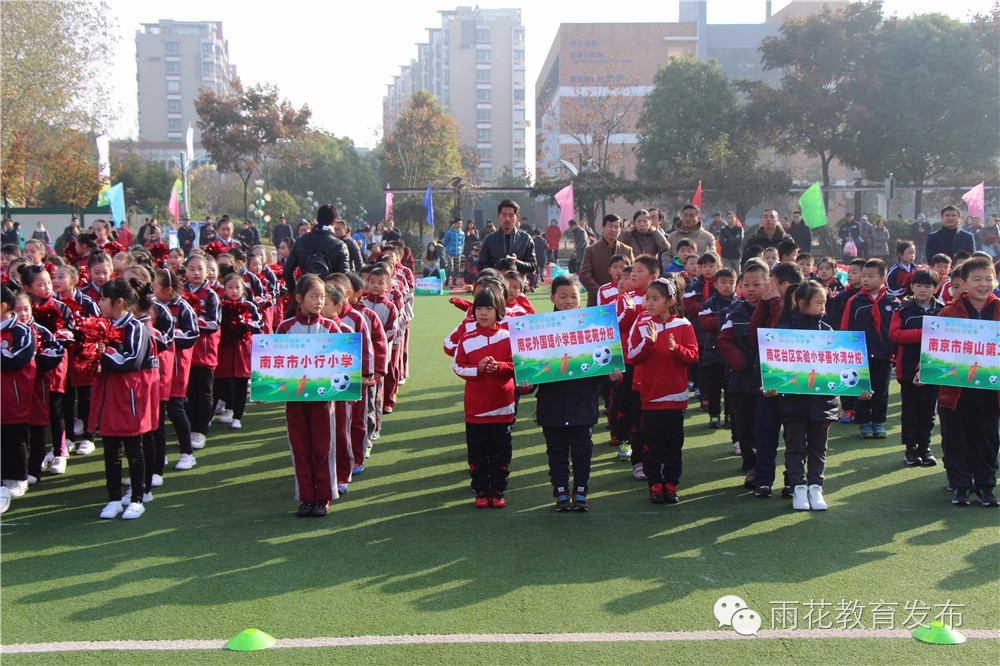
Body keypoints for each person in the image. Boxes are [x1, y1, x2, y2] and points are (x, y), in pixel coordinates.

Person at [522, 275, 622, 512]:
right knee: (556, 452)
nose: (568, 301)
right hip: (551, 404)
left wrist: (611, 377)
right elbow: (533, 376)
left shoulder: (593, 327)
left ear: (581, 299)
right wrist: (525, 385)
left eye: (573, 296)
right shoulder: (537, 330)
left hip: (582, 404)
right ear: (552, 298)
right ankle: (559, 493)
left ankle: (580, 492)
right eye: (563, 296)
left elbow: (600, 371)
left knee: (582, 450)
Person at [89, 277, 159, 520]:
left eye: (103, 299)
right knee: (110, 450)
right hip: (110, 395)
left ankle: (138, 498)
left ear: (118, 302)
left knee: (134, 448)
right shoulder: (105, 325)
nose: (99, 303)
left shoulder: (136, 327)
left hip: (130, 397)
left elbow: (131, 360)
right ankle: (114, 499)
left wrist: (104, 351)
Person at [627, 276, 698, 504]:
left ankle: (671, 484)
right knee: (652, 443)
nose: (648, 303)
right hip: (651, 396)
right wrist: (648, 342)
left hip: (676, 397)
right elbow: (632, 356)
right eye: (647, 298)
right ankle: (655, 484)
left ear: (670, 301)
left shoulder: (684, 325)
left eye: (655, 299)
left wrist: (676, 349)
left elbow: (693, 356)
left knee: (674, 444)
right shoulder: (642, 323)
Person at [275, 274, 342, 516]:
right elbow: (274, 365)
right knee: (300, 446)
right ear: (299, 298)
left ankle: (323, 495)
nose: (319, 301)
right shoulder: (285, 327)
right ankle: (306, 496)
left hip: (323, 398)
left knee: (323, 446)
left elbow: (343, 362)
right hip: (294, 398)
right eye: (314, 296)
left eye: (322, 297)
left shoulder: (332, 327)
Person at [935, 257, 999, 506]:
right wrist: (923, 370)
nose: (984, 284)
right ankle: (960, 486)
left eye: (988, 279)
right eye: (977, 279)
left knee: (987, 439)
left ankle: (986, 486)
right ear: (964, 283)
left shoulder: (999, 309)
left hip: (991, 392)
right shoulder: (949, 311)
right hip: (956, 390)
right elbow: (935, 349)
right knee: (957, 438)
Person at [773, 281, 836, 510]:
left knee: (819, 447)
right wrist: (771, 386)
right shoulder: (785, 332)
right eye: (819, 303)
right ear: (802, 304)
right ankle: (798, 487)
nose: (823, 308)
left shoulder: (828, 332)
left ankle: (816, 487)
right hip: (794, 402)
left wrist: (858, 388)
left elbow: (837, 369)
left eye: (824, 303)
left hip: (823, 403)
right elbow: (773, 369)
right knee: (795, 445)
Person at [452, 287, 515, 508]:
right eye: (479, 308)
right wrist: (477, 369)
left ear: (499, 311)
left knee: (501, 453)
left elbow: (518, 366)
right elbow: (457, 366)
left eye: (489, 308)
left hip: (503, 407)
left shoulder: (509, 336)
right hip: (475, 409)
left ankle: (497, 491)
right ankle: (480, 490)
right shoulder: (466, 338)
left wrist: (499, 368)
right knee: (477, 453)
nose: (483, 313)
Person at [718, 260, 769, 488]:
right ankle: (751, 466)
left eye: (756, 284)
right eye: (746, 284)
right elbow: (724, 341)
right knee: (745, 426)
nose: (750, 289)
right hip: (742, 380)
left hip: (768, 381)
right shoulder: (734, 312)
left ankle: (764, 466)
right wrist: (743, 364)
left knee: (765, 427)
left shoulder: (774, 310)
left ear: (768, 284)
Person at [888, 268, 943, 467]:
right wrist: (925, 333)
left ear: (936, 288)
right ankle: (911, 449)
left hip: (934, 369)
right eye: (918, 285)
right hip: (908, 368)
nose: (922, 289)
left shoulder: (942, 310)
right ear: (911, 286)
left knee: (928, 411)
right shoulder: (902, 309)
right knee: (910, 410)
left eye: (928, 286)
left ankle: (925, 448)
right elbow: (894, 334)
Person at [841, 259, 899, 440]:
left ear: (883, 278)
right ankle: (864, 422)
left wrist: (895, 352)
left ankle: (878, 421)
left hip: (884, 353)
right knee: (862, 388)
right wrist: (847, 350)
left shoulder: (893, 301)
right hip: (861, 354)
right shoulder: (855, 301)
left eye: (871, 276)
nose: (865, 279)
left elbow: (897, 328)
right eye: (863, 275)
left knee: (881, 389)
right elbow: (846, 326)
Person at [152, 268, 199, 471]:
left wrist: (169, 334)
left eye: (154, 287)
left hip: (177, 367)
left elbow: (192, 335)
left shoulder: (183, 307)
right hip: (159, 367)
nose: (151, 291)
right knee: (157, 412)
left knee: (175, 409)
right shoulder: (152, 306)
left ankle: (187, 452)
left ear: (168, 289)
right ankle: (158, 455)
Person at [1, 283, 34, 510]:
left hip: (13, 396)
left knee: (15, 436)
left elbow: (16, 360)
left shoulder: (21, 331)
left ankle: (19, 477)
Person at [182, 254, 220, 451]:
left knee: (204, 392)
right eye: (191, 268)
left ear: (207, 272)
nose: (196, 273)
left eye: (200, 269)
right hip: (185, 351)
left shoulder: (211, 295)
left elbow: (214, 323)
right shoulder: (180, 292)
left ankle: (200, 430)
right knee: (187, 391)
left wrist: (193, 321)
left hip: (204, 352)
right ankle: (190, 426)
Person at [697, 267, 736, 433]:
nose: (727, 286)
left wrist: (721, 317)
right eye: (723, 282)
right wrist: (724, 317)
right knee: (713, 387)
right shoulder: (709, 303)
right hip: (712, 352)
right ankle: (714, 415)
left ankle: (729, 415)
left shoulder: (739, 303)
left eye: (731, 282)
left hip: (731, 354)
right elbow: (705, 323)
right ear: (715, 284)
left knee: (730, 388)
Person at [283, 204, 350, 293]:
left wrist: (295, 293)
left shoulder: (301, 240)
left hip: (306, 294)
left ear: (317, 218)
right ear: (335, 222)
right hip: (329, 299)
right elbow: (343, 279)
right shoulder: (340, 246)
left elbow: (287, 270)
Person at [579, 214, 635, 308]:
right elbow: (584, 275)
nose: (613, 230)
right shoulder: (591, 250)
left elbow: (633, 273)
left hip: (625, 301)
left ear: (620, 230)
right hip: (596, 301)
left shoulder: (627, 250)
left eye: (616, 227)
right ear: (603, 227)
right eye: (610, 226)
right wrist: (602, 292)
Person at [476, 200, 537, 277]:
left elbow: (532, 266)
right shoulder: (489, 239)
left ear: (517, 217)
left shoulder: (526, 239)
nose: (507, 219)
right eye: (504, 215)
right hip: (496, 284)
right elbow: (480, 265)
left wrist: (516, 262)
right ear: (498, 216)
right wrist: (497, 268)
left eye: (511, 215)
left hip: (517, 285)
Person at [442, 219, 465, 287]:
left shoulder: (462, 233)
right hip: (449, 252)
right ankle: (447, 280)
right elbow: (445, 242)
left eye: (461, 223)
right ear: (454, 224)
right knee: (449, 267)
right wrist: (449, 248)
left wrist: (460, 250)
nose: (460, 225)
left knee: (457, 268)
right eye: (458, 223)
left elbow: (462, 242)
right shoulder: (449, 232)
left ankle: (454, 281)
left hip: (457, 253)